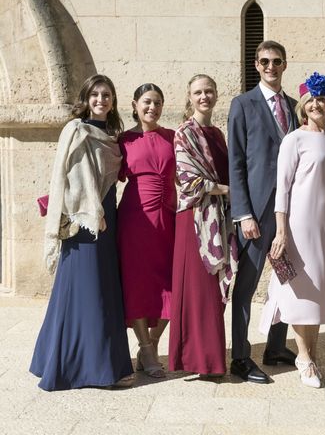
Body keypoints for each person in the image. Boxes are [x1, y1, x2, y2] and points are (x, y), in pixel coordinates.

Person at [30, 74, 134, 391]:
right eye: (95, 95)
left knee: (104, 289)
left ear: (113, 101)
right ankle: (77, 368)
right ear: (86, 99)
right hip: (84, 220)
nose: (101, 100)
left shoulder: (115, 137)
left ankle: (100, 365)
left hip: (108, 216)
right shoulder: (74, 130)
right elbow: (61, 176)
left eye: (106, 95)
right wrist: (86, 209)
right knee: (83, 289)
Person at [260, 73, 325, 388]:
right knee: (301, 291)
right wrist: (281, 231)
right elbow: (282, 189)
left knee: (319, 290)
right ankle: (303, 356)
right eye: (310, 100)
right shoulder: (293, 139)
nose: (315, 104)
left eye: (321, 99)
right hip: (299, 226)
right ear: (303, 105)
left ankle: (312, 350)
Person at [228, 40, 298, 384]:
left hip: (289, 213)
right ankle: (240, 356)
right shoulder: (242, 105)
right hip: (256, 213)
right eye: (265, 61)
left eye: (277, 61)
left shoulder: (296, 107)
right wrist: (243, 213)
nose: (271, 66)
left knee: (286, 278)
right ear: (256, 65)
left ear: (285, 65)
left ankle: (275, 346)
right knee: (246, 286)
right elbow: (236, 162)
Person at [168, 74, 238, 377]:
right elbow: (188, 181)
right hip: (195, 221)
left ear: (217, 94)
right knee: (198, 290)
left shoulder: (217, 133)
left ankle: (209, 358)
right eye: (198, 92)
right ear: (189, 95)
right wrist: (226, 190)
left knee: (211, 290)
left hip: (217, 219)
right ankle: (197, 360)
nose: (204, 97)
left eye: (209, 91)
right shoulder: (184, 132)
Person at [118, 83, 176, 378]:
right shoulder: (124, 140)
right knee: (139, 283)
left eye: (157, 103)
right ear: (135, 104)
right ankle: (146, 346)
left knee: (172, 285)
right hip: (135, 218)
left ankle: (149, 345)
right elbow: (100, 175)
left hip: (169, 218)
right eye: (147, 102)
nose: (152, 107)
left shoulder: (173, 137)